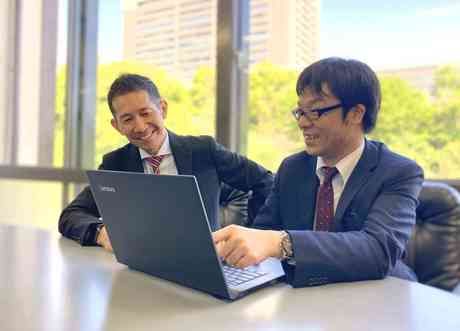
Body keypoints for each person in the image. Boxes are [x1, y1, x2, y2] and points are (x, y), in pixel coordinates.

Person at [213, 57, 424, 287]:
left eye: (314, 111)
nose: (303, 123)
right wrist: (230, 249)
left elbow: (378, 251)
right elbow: (263, 232)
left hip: (376, 297)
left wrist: (283, 243)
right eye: (300, 112)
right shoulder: (292, 168)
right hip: (300, 300)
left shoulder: (399, 172)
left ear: (356, 113)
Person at [58, 73, 273, 251]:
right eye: (128, 119)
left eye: (145, 113)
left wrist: (255, 233)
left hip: (205, 262)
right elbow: (70, 215)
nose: (141, 126)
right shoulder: (115, 163)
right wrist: (100, 232)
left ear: (163, 109)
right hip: (144, 268)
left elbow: (266, 182)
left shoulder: (204, 150)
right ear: (117, 126)